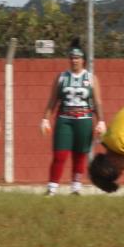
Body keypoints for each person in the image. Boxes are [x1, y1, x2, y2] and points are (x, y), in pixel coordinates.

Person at [41, 47, 105, 196]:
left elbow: (97, 102)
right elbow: (53, 100)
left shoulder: (90, 78)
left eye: (77, 58)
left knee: (80, 155)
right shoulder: (62, 77)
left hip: (84, 119)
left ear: (83, 60)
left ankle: (76, 187)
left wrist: (101, 120)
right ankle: (52, 187)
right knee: (60, 154)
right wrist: (45, 118)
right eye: (72, 58)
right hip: (65, 119)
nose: (74, 60)